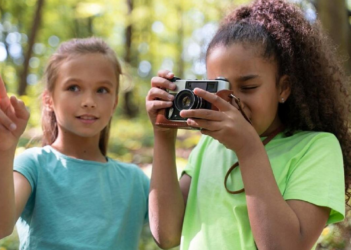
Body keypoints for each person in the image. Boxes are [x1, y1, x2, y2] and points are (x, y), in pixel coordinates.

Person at [146, 0, 351, 249]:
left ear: (283, 88)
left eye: (249, 87)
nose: (233, 100)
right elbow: (167, 235)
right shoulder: (209, 146)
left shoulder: (317, 148)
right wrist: (163, 136)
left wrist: (249, 149)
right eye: (219, 89)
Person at [0, 37, 149, 250]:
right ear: (49, 99)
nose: (89, 101)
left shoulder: (135, 181)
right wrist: (2, 151)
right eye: (74, 87)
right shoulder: (33, 166)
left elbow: (172, 232)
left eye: (102, 90)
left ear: (115, 102)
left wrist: (164, 136)